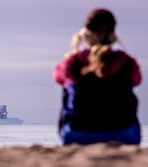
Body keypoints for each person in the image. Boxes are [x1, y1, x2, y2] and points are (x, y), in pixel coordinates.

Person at [53, 8, 142, 145]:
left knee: (67, 88)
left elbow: (58, 77)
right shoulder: (127, 62)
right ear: (113, 35)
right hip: (124, 134)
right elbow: (137, 80)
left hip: (78, 134)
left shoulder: (73, 62)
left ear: (85, 34)